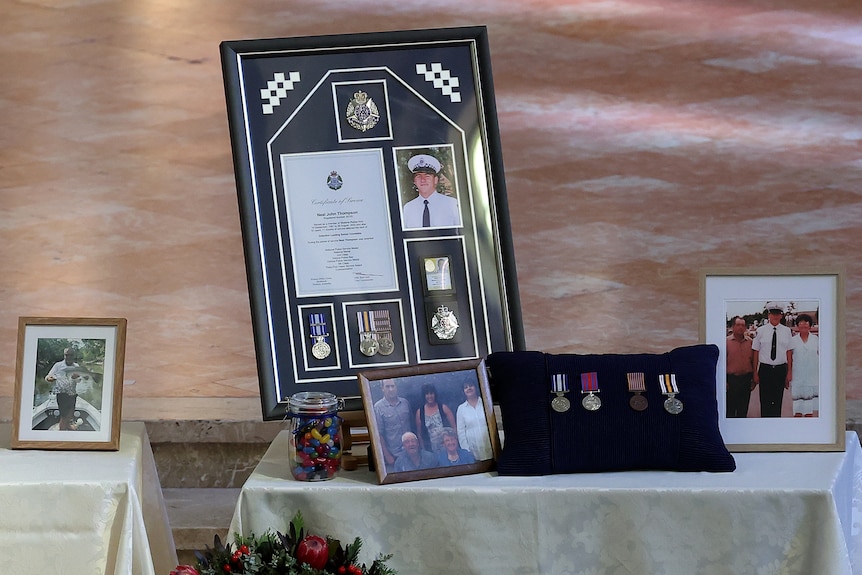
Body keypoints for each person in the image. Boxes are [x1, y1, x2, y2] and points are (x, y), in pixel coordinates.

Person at [751, 302, 794, 417]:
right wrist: (755, 372)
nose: (775, 316)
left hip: (780, 370)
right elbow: (755, 352)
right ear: (768, 315)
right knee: (764, 401)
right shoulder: (760, 331)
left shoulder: (787, 331)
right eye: (772, 314)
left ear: (781, 315)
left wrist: (789, 372)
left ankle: (776, 426)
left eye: (778, 314)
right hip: (765, 370)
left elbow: (789, 352)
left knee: (777, 401)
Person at [401, 154, 461, 229]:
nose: (423, 180)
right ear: (414, 181)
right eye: (418, 176)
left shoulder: (452, 204)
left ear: (435, 180)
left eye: (427, 176)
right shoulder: (408, 208)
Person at [373, 379, 412, 470]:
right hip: (394, 455)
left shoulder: (405, 403)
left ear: (396, 387)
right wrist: (387, 455)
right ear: (382, 388)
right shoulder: (378, 407)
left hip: (410, 452)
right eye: (387, 386)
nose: (390, 389)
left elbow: (412, 425)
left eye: (392, 386)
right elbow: (379, 434)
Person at [456, 379, 493, 461]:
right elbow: (461, 432)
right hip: (474, 452)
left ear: (476, 387)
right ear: (463, 391)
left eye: (471, 386)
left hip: (491, 447)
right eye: (466, 387)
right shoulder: (461, 409)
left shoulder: (485, 403)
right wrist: (467, 451)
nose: (469, 388)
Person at [45, 347, 81, 430]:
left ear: (73, 356)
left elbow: (79, 381)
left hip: (72, 394)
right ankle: (62, 431)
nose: (68, 357)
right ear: (64, 355)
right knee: (64, 416)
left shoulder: (76, 366)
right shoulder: (58, 365)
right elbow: (47, 377)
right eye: (66, 355)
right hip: (62, 394)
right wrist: (49, 379)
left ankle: (67, 426)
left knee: (70, 414)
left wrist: (76, 378)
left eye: (70, 355)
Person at [790, 313, 819, 417]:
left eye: (806, 322)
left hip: (812, 376)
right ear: (797, 325)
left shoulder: (816, 340)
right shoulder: (792, 340)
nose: (804, 325)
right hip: (798, 376)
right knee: (797, 410)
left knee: (809, 410)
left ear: (810, 325)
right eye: (801, 323)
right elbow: (789, 358)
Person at [726, 316, 755, 418]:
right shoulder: (726, 342)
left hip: (746, 379)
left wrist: (753, 379)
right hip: (731, 380)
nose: (740, 327)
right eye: (738, 325)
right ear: (733, 327)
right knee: (730, 410)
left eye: (743, 325)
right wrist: (724, 381)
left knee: (743, 410)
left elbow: (753, 361)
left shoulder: (750, 342)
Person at [414, 383, 456, 454]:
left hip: (447, 448)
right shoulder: (419, 412)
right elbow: (419, 434)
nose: (429, 396)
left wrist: (453, 445)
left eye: (431, 393)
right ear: (424, 396)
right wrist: (424, 451)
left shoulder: (443, 408)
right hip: (430, 449)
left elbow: (454, 427)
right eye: (427, 394)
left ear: (435, 394)